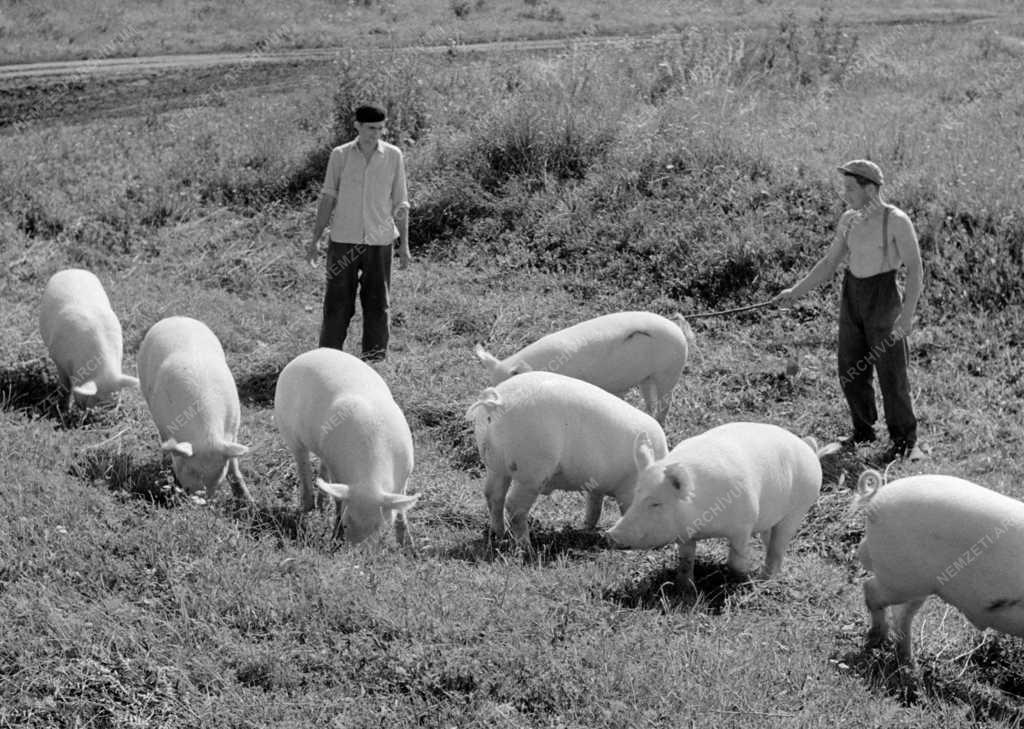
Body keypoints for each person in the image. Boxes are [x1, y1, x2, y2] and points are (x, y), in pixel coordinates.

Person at [774, 159, 925, 462]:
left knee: (891, 373)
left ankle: (905, 441)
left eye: (851, 188)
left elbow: (916, 269)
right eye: (844, 187)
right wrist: (794, 292)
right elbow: (829, 264)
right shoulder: (848, 220)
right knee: (850, 368)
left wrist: (906, 316)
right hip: (852, 298)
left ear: (871, 189)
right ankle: (863, 431)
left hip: (884, 301)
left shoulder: (895, 220)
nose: (845, 194)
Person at [306, 103, 411, 362]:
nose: (375, 134)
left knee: (377, 304)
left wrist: (404, 246)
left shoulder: (393, 156)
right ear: (357, 126)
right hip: (344, 240)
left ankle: (373, 362)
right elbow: (328, 197)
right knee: (337, 304)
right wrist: (315, 239)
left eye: (379, 129)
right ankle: (328, 361)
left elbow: (401, 203)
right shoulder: (340, 155)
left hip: (380, 241)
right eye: (370, 128)